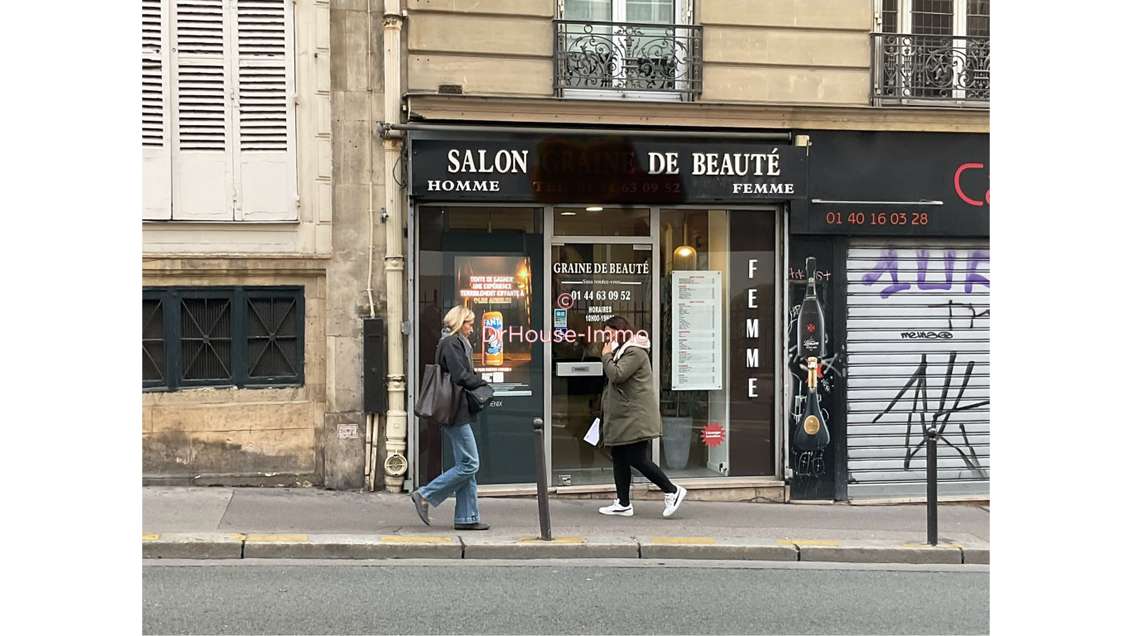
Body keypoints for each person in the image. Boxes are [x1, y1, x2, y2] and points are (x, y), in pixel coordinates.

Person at [409, 306, 491, 530]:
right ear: (458, 323)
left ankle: (467, 517)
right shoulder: (451, 343)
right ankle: (425, 494)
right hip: (454, 411)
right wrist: (482, 384)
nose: (471, 329)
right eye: (468, 324)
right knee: (470, 463)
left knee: (466, 464)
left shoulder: (452, 342)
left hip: (456, 409)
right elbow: (459, 375)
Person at [597, 315, 688, 518]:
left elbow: (617, 375)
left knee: (637, 458)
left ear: (621, 331)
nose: (608, 337)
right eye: (606, 333)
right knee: (619, 457)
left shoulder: (634, 351)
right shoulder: (622, 350)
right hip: (625, 416)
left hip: (635, 417)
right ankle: (623, 503)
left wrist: (605, 356)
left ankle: (672, 490)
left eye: (610, 333)